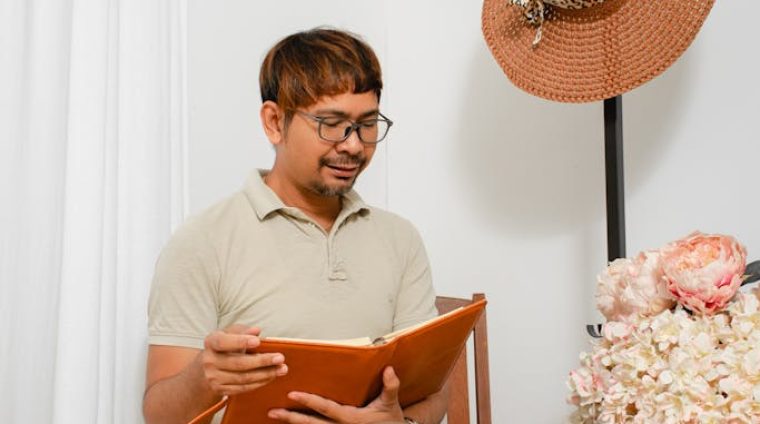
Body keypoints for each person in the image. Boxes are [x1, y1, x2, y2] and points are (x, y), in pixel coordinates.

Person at [142, 28, 448, 424]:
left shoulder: (399, 240)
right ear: (274, 122)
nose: (353, 145)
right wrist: (204, 376)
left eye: (367, 124)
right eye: (331, 123)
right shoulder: (203, 242)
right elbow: (158, 416)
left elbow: (434, 393)